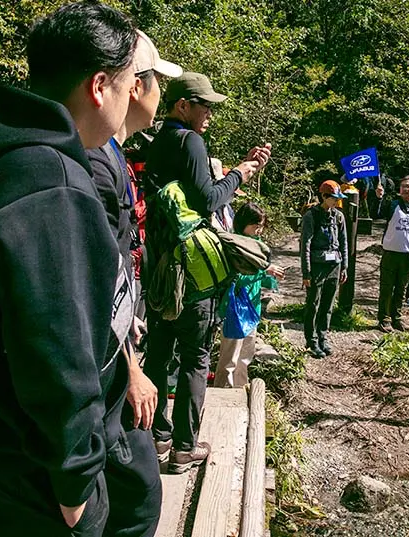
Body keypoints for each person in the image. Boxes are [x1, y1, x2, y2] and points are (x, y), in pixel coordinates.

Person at [0, 4, 143, 536]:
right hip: (31, 467)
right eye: (130, 84)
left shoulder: (4, 148)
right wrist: (76, 480)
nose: (132, 98)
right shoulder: (51, 182)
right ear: (100, 87)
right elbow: (53, 341)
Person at [143, 71, 271, 473]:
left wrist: (237, 168)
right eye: (205, 106)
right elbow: (208, 199)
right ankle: (185, 447)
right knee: (195, 357)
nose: (210, 114)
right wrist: (240, 174)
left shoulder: (157, 141)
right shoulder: (191, 142)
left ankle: (157, 436)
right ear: (183, 105)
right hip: (192, 271)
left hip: (158, 265)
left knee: (158, 353)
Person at [85, 28, 183, 537]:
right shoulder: (97, 164)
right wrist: (131, 368)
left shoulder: (110, 155)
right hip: (106, 369)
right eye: (157, 81)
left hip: (117, 346)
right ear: (135, 86)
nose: (162, 94)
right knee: (139, 495)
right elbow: (91, 284)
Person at [215, 203, 284, 387]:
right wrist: (264, 271)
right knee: (230, 358)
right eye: (255, 226)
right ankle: (221, 393)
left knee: (245, 357)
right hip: (235, 307)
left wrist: (272, 277)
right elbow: (236, 279)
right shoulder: (235, 244)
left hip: (253, 307)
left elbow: (261, 278)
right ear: (244, 223)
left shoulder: (258, 244)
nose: (259, 230)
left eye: (261, 226)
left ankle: (239, 390)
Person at [374, 175, 409, 332]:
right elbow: (377, 214)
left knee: (401, 289)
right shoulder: (393, 205)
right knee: (386, 288)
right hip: (390, 253)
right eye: (402, 186)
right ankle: (384, 319)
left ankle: (396, 318)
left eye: (408, 186)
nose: (405, 189)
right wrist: (378, 198)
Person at [300, 180, 348, 358]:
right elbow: (305, 245)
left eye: (337, 198)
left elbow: (343, 242)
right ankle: (311, 340)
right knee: (313, 303)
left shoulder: (339, 216)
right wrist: (306, 272)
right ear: (324, 196)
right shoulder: (311, 216)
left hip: (334, 265)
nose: (336, 201)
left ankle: (323, 337)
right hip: (317, 266)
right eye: (333, 198)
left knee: (328, 304)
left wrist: (344, 267)